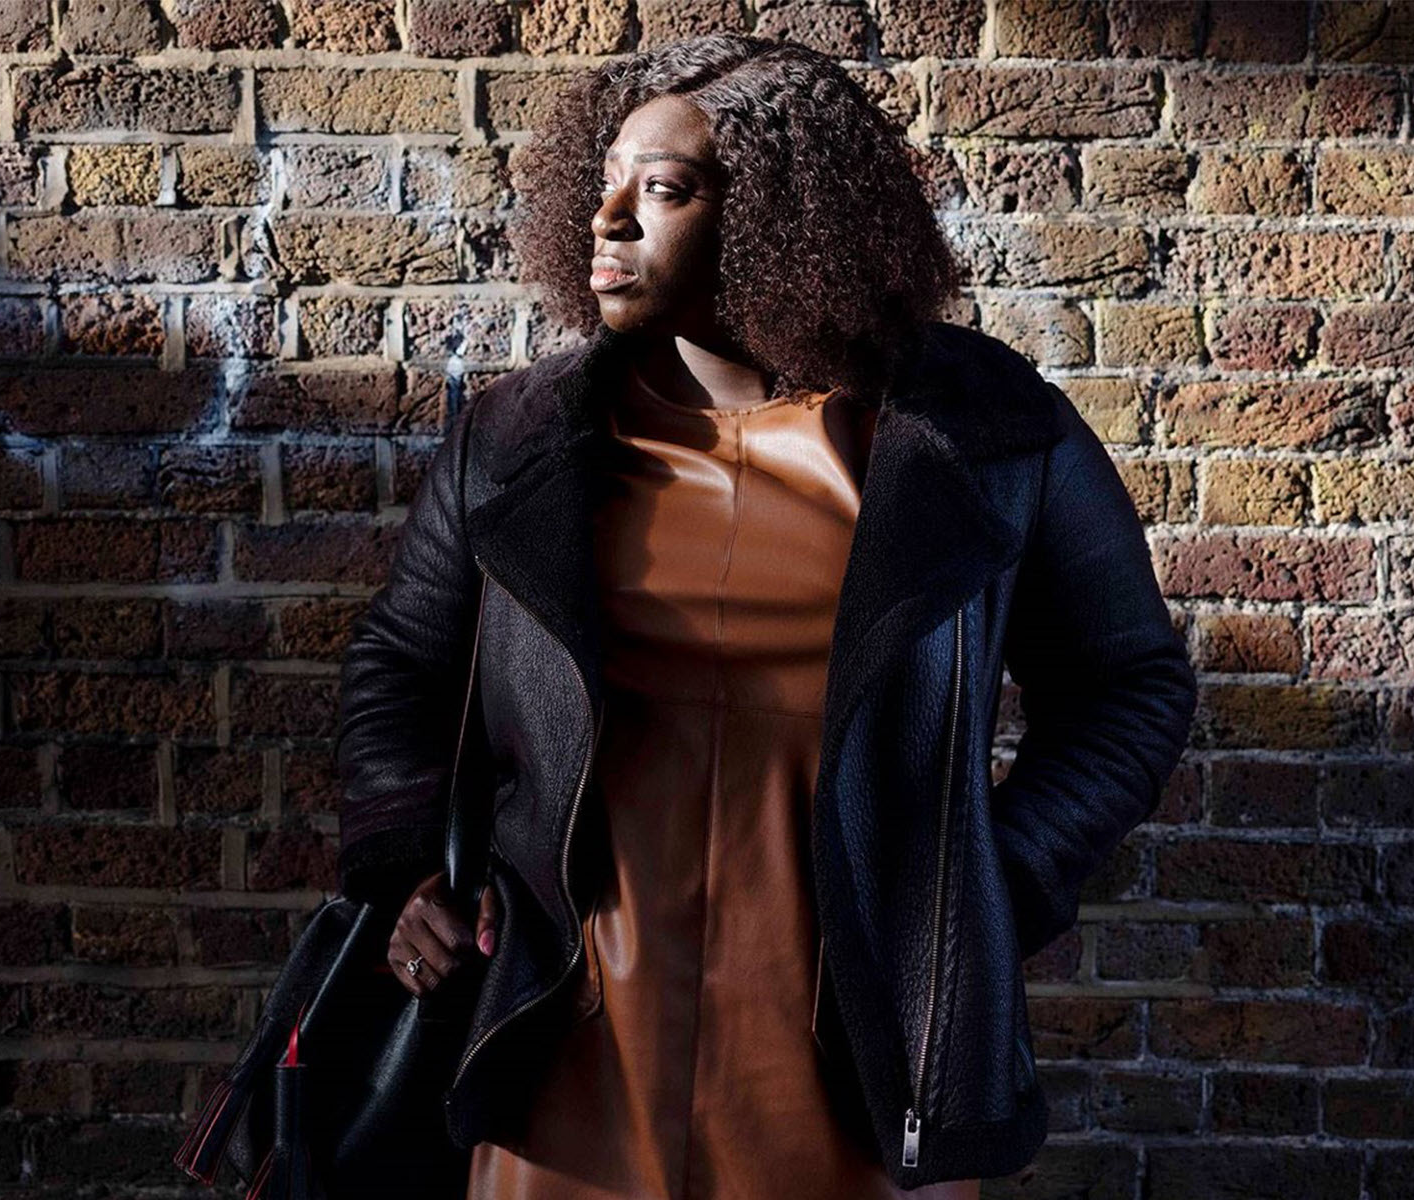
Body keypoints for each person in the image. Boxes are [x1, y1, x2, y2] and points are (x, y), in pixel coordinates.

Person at [334, 33, 1197, 1200]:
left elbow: (1127, 684)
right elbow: (402, 662)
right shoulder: (521, 440)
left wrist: (989, 881)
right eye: (605, 179)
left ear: (787, 218)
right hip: (570, 1048)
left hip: (863, 1060)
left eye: (663, 190)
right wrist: (408, 870)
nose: (609, 220)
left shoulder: (981, 435)